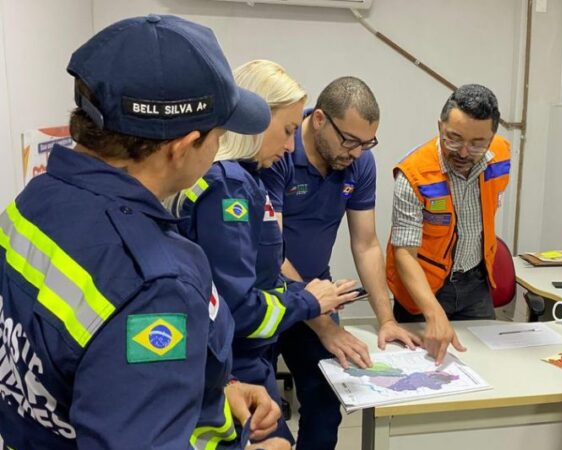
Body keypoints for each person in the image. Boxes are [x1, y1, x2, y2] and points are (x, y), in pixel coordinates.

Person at [0, 15, 280, 450]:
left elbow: (83, 367)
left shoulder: (34, 203)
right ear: (182, 147)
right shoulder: (158, 284)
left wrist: (210, 390)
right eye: (219, 134)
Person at [171, 60, 359, 450]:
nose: (291, 146)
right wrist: (308, 300)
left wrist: (305, 297)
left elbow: (262, 276)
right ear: (254, 119)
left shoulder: (246, 180)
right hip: (233, 365)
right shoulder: (229, 188)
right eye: (288, 130)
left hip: (247, 361)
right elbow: (238, 310)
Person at [261, 76, 421, 450]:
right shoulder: (279, 154)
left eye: (367, 143)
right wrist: (326, 327)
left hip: (320, 291)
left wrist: (387, 319)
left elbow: (365, 244)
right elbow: (272, 253)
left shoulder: (359, 164)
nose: (357, 152)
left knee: (325, 402)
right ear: (319, 119)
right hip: (269, 294)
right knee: (264, 414)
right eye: (349, 140)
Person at [386, 84, 512, 364]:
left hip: (475, 283)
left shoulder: (502, 156)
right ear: (440, 126)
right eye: (454, 138)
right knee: (420, 370)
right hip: (424, 290)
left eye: (478, 143)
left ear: (492, 138)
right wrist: (433, 312)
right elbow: (405, 253)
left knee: (485, 366)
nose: (464, 152)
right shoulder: (413, 174)